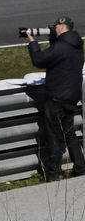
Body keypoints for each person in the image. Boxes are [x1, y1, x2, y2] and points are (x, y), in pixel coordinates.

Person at [26, 16, 85, 180]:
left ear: (62, 27)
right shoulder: (75, 44)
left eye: (56, 26)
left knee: (54, 137)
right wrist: (53, 39)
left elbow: (39, 60)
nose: (54, 28)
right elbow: (57, 57)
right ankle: (80, 168)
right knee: (69, 134)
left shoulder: (61, 47)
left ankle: (54, 173)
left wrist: (32, 41)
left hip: (57, 99)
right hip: (71, 97)